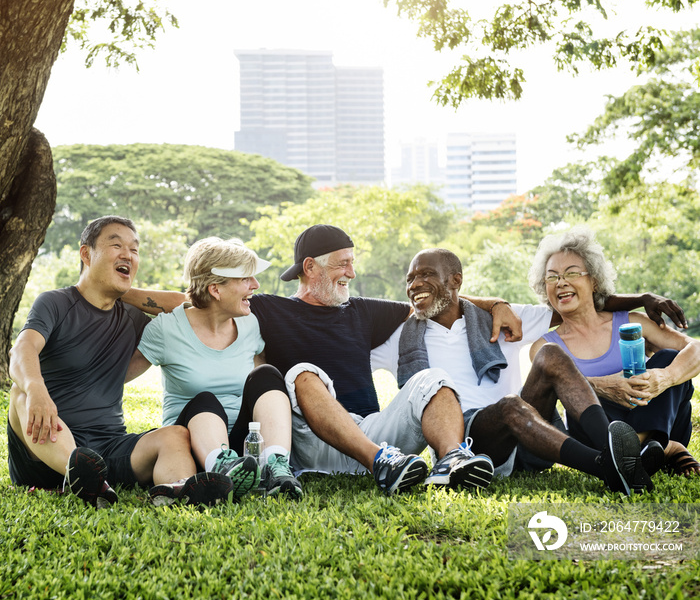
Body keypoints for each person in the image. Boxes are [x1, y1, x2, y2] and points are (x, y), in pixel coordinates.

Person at [123, 224, 526, 494]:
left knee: (433, 378)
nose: (352, 271)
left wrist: (495, 303)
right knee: (299, 371)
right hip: (312, 439)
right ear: (310, 268)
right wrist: (107, 287)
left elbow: (429, 300)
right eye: (343, 262)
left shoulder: (365, 310)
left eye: (352, 260)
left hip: (371, 430)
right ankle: (380, 465)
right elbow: (192, 299)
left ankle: (451, 461)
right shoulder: (264, 309)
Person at [370, 248, 694, 495]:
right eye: (410, 279)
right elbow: (357, 346)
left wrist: (639, 299)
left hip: (534, 441)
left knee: (551, 354)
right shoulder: (400, 337)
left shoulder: (503, 319)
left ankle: (613, 447)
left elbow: (575, 300)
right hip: (475, 444)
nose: (416, 284)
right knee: (511, 405)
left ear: (456, 281)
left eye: (426, 274)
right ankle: (609, 467)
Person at [8, 216, 233, 508]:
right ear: (86, 254)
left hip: (109, 448)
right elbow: (22, 348)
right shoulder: (56, 303)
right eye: (116, 245)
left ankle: (176, 491)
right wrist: (37, 388)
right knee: (20, 394)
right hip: (46, 446)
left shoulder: (132, 317)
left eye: (134, 250)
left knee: (175, 436)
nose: (128, 254)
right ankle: (79, 472)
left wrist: (126, 292)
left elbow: (193, 305)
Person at [128, 237, 302, 499]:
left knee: (267, 375)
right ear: (216, 290)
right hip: (194, 443)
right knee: (205, 399)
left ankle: (275, 467)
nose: (255, 285)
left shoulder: (249, 324)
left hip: (244, 450)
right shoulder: (167, 329)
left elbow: (263, 395)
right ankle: (221, 467)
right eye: (245, 279)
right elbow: (114, 378)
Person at [529, 226, 700, 477]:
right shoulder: (545, 347)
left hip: (659, 419)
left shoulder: (632, 322)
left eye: (571, 273)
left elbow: (695, 349)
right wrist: (603, 386)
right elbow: (553, 389)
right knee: (583, 401)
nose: (561, 282)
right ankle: (666, 450)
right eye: (552, 277)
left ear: (594, 280)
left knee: (669, 358)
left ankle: (641, 449)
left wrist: (665, 378)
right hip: (601, 434)